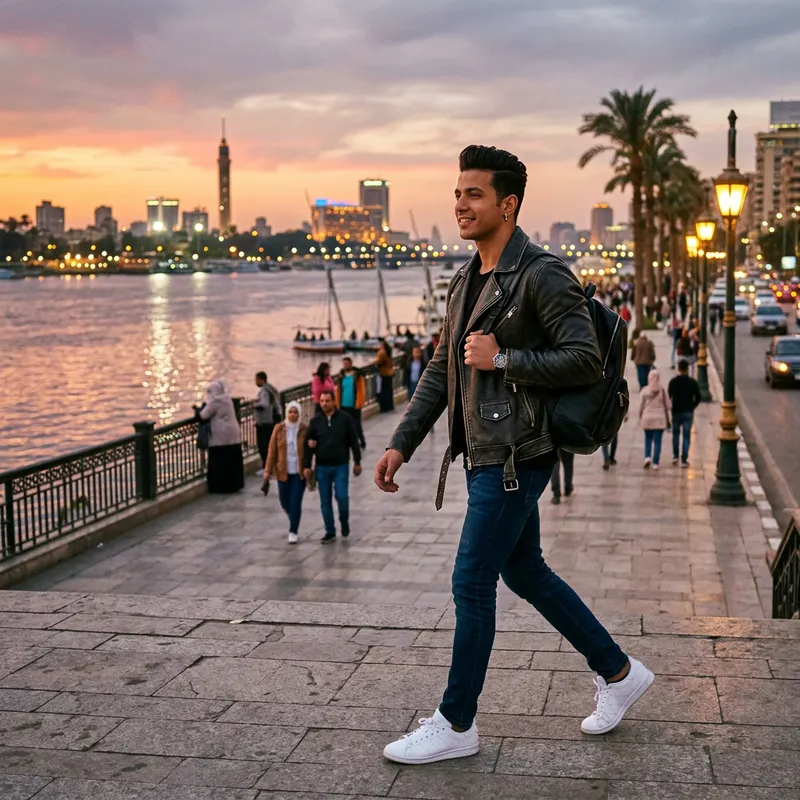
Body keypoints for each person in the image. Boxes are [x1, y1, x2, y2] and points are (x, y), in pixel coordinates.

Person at [375, 144, 652, 766]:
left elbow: (585, 356)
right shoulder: (465, 278)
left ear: (509, 203)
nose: (460, 205)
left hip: (517, 454)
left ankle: (456, 721)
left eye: (474, 194)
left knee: (472, 579)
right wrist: (402, 443)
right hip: (483, 452)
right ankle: (618, 671)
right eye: (457, 193)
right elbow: (443, 374)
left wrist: (504, 359)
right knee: (524, 571)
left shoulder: (542, 273)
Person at [304, 389, 362, 543]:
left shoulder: (345, 419)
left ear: (334, 401)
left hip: (340, 465)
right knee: (325, 500)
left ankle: (344, 520)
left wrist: (357, 462)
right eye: (321, 401)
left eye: (327, 401)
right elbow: (308, 444)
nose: (324, 404)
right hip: (322, 467)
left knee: (342, 496)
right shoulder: (315, 422)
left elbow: (353, 441)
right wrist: (306, 466)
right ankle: (329, 531)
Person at [263, 401, 307, 544]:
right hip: (283, 471)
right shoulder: (279, 428)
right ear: (286, 413)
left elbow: (311, 451)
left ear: (299, 414)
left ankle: (293, 531)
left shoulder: (305, 429)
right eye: (290, 412)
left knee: (295, 502)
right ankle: (294, 517)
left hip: (299, 473)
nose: (293, 415)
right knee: (284, 501)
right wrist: (267, 471)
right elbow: (272, 451)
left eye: (295, 412)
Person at [196, 381, 244, 493]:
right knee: (232, 462)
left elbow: (203, 416)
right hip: (234, 435)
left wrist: (197, 411)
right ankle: (235, 485)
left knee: (220, 461)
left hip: (221, 437)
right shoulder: (227, 399)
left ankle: (221, 487)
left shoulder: (215, 402)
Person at [668, 359, 701, 467]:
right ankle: (684, 459)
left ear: (678, 369)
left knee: (675, 434)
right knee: (686, 436)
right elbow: (698, 397)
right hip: (688, 411)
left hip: (676, 411)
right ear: (687, 369)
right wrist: (692, 406)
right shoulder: (692, 382)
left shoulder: (673, 382)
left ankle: (675, 456)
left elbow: (669, 396)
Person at [639, 368, 670, 470]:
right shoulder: (662, 390)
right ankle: (656, 463)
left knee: (647, 439)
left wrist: (640, 416)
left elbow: (641, 406)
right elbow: (668, 405)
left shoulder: (644, 390)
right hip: (659, 419)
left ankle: (647, 457)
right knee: (657, 441)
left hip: (647, 418)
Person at [336, 356, 367, 449]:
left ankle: (361, 441)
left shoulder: (357, 376)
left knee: (356, 425)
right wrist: (337, 404)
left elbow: (361, 390)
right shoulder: (341, 376)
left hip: (354, 405)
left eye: (347, 363)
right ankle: (346, 442)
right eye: (344, 364)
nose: (345, 365)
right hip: (343, 405)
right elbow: (338, 390)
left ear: (350, 364)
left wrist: (359, 403)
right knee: (344, 425)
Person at [254, 371, 282, 470]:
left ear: (262, 380)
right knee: (272, 443)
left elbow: (264, 404)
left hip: (266, 422)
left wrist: (254, 405)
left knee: (263, 445)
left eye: (256, 380)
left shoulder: (264, 391)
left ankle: (266, 467)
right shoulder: (270, 388)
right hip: (274, 419)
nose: (255, 382)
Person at [376, 339, 395, 412]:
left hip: (383, 373)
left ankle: (384, 408)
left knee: (383, 391)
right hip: (390, 373)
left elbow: (378, 362)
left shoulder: (381, 352)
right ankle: (390, 406)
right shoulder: (388, 352)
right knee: (389, 390)